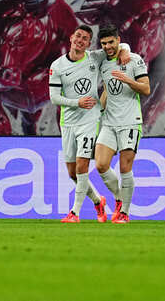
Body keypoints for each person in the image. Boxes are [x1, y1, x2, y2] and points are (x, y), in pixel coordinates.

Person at [50, 25, 130, 223]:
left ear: (88, 44)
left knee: (82, 165)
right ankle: (98, 201)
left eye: (85, 38)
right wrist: (75, 103)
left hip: (90, 120)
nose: (80, 40)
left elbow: (117, 46)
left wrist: (126, 49)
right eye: (78, 36)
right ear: (71, 37)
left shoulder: (95, 58)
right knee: (72, 172)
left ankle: (75, 213)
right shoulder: (57, 65)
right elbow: (53, 98)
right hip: (68, 123)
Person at [94, 25, 150, 224]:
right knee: (100, 164)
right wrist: (97, 113)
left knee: (125, 167)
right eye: (104, 43)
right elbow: (108, 90)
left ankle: (124, 212)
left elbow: (146, 89)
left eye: (111, 42)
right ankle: (119, 198)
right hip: (109, 122)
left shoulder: (133, 59)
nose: (108, 46)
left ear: (118, 40)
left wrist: (128, 80)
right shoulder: (102, 62)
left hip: (130, 122)